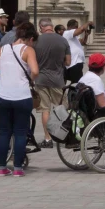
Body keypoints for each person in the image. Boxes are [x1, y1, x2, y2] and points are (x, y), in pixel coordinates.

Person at [0, 22, 38, 177]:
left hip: (3, 96)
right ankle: (17, 168)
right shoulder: (28, 50)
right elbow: (35, 70)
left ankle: (2, 167)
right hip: (22, 96)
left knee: (4, 132)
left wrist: (4, 77)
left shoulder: (2, 49)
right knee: (20, 133)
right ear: (30, 38)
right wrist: (29, 79)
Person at [33, 18, 70, 148]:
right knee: (62, 108)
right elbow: (68, 62)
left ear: (41, 27)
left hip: (41, 79)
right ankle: (64, 136)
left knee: (45, 109)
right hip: (58, 79)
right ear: (52, 26)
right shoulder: (63, 40)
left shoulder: (36, 41)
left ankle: (48, 139)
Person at [62, 19, 92, 84]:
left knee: (75, 83)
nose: (76, 28)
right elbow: (81, 29)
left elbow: (83, 42)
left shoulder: (74, 37)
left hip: (77, 62)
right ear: (69, 27)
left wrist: (86, 35)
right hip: (73, 63)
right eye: (75, 27)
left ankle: (71, 93)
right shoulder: (67, 33)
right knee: (76, 83)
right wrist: (88, 23)